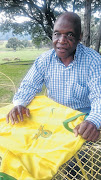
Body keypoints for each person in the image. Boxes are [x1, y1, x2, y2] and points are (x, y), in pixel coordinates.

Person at [6, 12, 101, 142]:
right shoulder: (45, 60)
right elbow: (29, 85)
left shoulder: (93, 60)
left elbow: (99, 96)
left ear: (80, 37)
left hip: (83, 117)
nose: (61, 41)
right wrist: (20, 103)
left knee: (77, 155)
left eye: (70, 35)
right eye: (57, 34)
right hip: (54, 115)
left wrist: (93, 121)